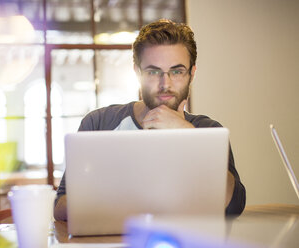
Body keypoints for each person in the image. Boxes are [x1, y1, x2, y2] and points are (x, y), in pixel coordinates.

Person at [53, 19, 246, 221]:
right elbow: (60, 206)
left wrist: (187, 135)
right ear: (137, 72)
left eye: (177, 71)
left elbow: (233, 205)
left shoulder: (208, 131)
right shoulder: (99, 123)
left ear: (192, 74)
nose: (165, 84)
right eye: (153, 71)